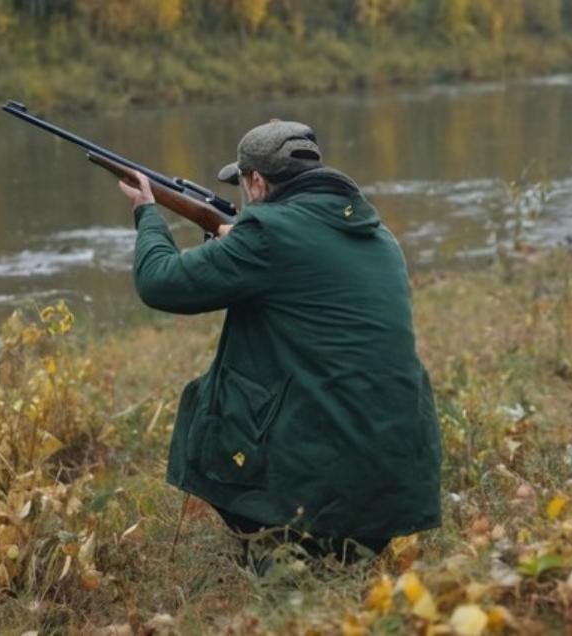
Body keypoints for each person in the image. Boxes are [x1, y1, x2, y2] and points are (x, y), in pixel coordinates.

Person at [116, 120, 442, 565]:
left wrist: (147, 214)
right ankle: (318, 549)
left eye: (244, 185)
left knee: (204, 402)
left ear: (255, 181)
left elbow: (160, 283)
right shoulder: (378, 235)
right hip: (396, 482)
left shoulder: (268, 234)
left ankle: (276, 547)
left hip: (321, 488)